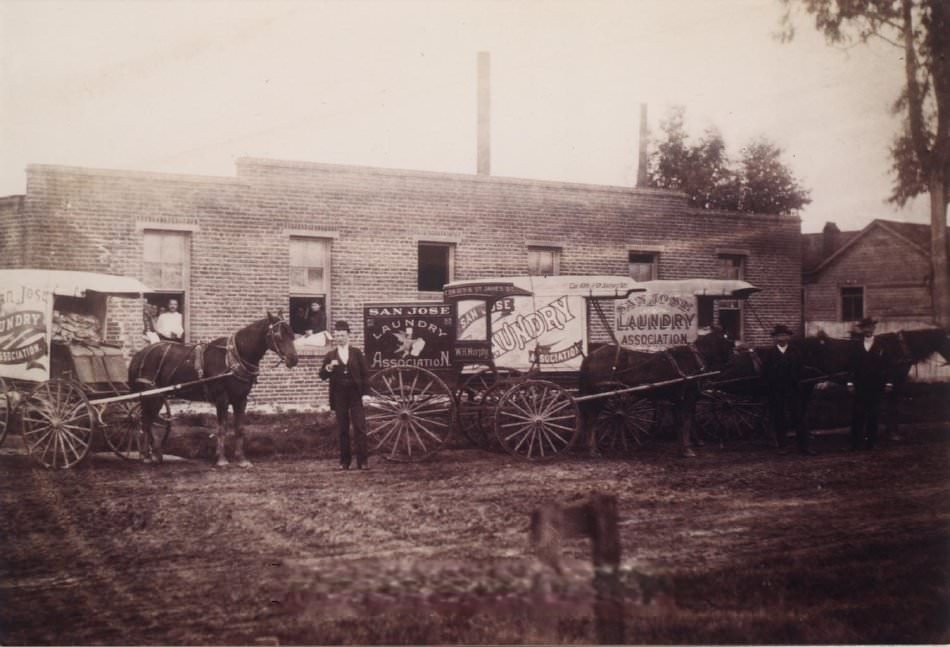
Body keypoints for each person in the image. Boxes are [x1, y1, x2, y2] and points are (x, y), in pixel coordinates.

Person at [319, 320, 371, 470]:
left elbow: (365, 374)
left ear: (348, 335)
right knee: (342, 429)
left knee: (360, 427)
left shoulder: (356, 353)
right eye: (337, 335)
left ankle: (363, 461)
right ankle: (344, 462)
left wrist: (366, 394)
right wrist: (328, 368)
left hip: (356, 394)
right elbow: (322, 375)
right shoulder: (330, 355)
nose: (340, 338)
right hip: (339, 395)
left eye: (342, 335)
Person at [762, 324, 815, 455]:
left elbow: (801, 371)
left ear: (788, 337)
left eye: (784, 335)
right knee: (779, 418)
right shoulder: (769, 354)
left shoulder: (796, 352)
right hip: (777, 391)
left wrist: (798, 385)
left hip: (793, 390)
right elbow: (765, 374)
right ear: (775, 338)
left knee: (799, 417)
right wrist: (771, 389)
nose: (782, 338)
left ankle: (804, 447)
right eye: (779, 335)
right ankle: (782, 447)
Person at [847, 317, 893, 450]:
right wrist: (850, 382)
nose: (868, 330)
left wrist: (889, 382)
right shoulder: (855, 345)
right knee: (857, 413)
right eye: (865, 327)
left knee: (874, 414)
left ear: (874, 328)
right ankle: (856, 443)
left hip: (876, 384)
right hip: (860, 385)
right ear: (862, 330)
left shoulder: (882, 345)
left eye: (870, 327)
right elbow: (851, 365)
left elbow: (888, 365)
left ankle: (871, 442)